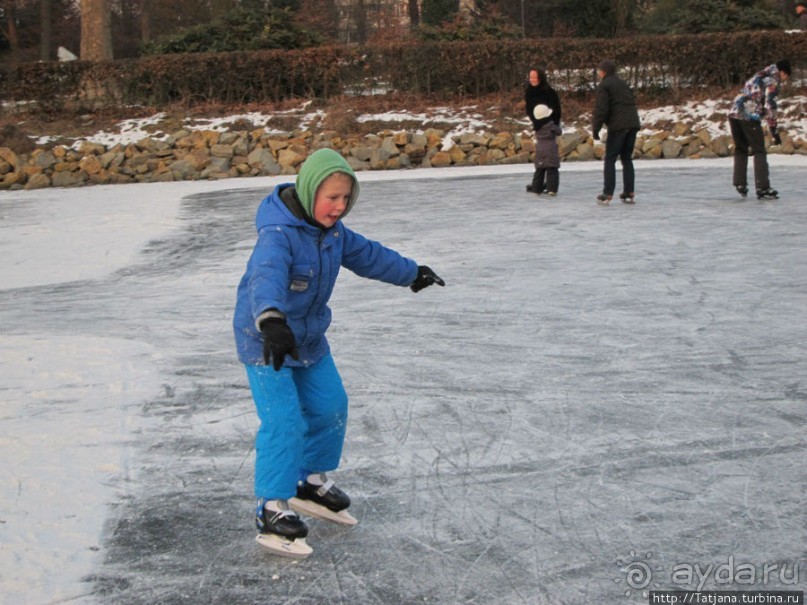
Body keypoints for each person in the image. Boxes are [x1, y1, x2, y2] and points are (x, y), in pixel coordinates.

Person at [233, 148, 445, 558]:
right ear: (310, 192)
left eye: (346, 198)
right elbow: (265, 277)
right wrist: (271, 320)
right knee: (284, 421)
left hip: (309, 339)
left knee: (331, 405)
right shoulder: (278, 235)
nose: (339, 207)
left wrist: (411, 272)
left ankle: (308, 481)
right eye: (332, 198)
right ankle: (270, 506)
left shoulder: (333, 233)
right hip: (266, 339)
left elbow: (369, 255)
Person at [727, 59, 790, 200]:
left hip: (734, 112)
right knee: (759, 150)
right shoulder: (773, 80)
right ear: (783, 72)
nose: (785, 79)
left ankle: (740, 183)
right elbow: (769, 106)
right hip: (748, 114)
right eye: (786, 76)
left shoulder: (760, 74)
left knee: (741, 148)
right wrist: (774, 130)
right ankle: (763, 187)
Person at [591, 59, 641, 205]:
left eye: (599, 71)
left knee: (610, 158)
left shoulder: (604, 85)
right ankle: (629, 191)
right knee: (626, 158)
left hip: (618, 126)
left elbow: (601, 109)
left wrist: (596, 128)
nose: (598, 73)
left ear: (603, 72)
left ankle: (608, 192)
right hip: (632, 124)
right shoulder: (622, 83)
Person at [524, 67, 563, 196]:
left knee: (542, 165)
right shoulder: (529, 92)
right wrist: (537, 123)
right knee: (548, 165)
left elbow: (556, 110)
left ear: (540, 78)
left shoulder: (549, 92)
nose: (532, 80)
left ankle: (541, 186)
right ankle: (542, 186)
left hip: (548, 123)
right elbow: (529, 110)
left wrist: (550, 123)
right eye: (530, 77)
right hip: (540, 126)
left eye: (534, 77)